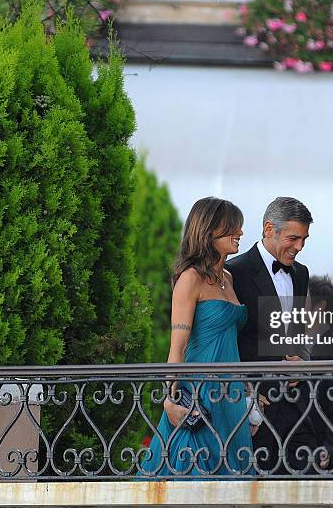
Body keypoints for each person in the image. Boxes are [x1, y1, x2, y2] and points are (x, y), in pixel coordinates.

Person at [226, 197, 333, 474]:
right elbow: (230, 337)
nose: (300, 247)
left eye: (304, 239)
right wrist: (247, 387)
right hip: (254, 403)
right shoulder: (235, 271)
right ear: (269, 229)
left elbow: (296, 334)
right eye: (294, 238)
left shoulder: (301, 273)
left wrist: (301, 366)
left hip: (295, 402)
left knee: (303, 481)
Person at [139, 197, 254, 477]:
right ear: (208, 231)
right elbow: (177, 348)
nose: (239, 232)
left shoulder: (229, 277)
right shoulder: (190, 279)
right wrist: (169, 400)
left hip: (231, 394)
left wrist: (248, 390)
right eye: (232, 227)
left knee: (233, 478)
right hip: (199, 395)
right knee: (193, 478)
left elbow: (229, 340)